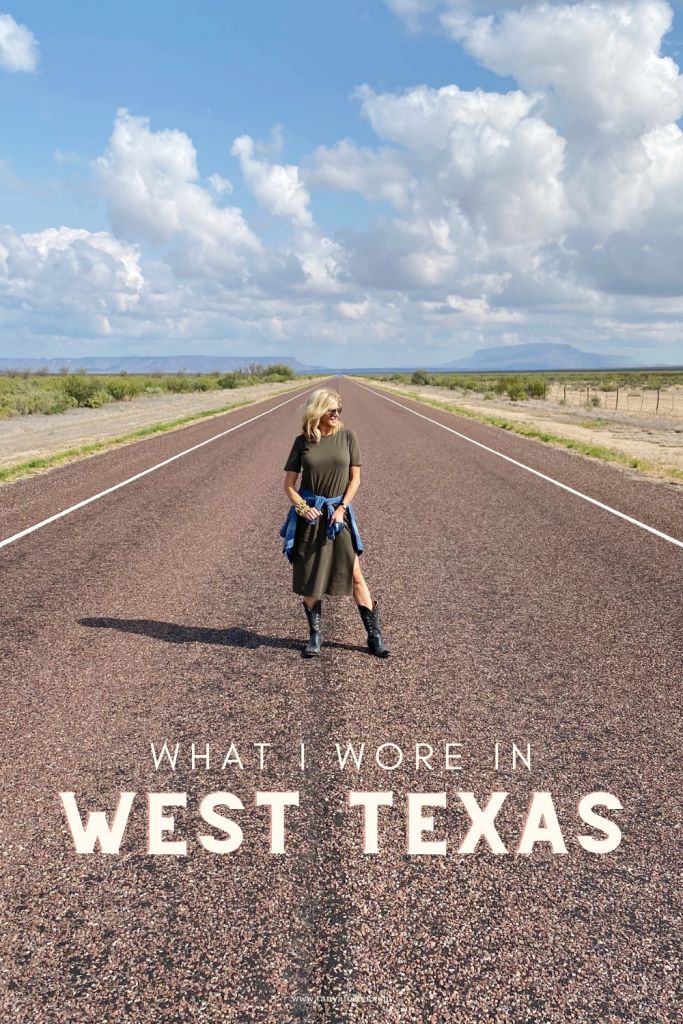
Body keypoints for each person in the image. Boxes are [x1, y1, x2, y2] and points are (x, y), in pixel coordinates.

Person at [281, 388, 389, 658]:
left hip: (337, 516)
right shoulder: (302, 441)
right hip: (310, 515)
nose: (336, 414)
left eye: (339, 409)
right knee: (309, 577)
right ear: (317, 411)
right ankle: (315, 635)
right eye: (331, 410)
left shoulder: (348, 437)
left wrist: (341, 509)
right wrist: (303, 508)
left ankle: (374, 635)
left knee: (355, 575)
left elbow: (356, 480)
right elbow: (289, 485)